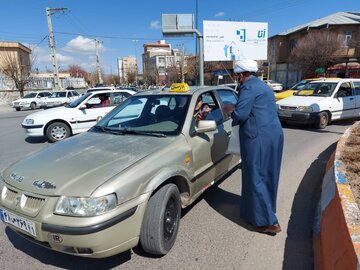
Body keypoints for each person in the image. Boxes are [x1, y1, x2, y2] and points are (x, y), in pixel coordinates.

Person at [224, 59, 284, 235]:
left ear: (241, 75)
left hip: (257, 138)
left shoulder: (248, 87)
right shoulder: (263, 86)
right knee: (268, 175)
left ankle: (269, 222)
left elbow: (241, 115)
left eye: (237, 75)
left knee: (256, 176)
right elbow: (255, 108)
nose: (237, 78)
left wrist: (229, 109)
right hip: (273, 134)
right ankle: (261, 213)